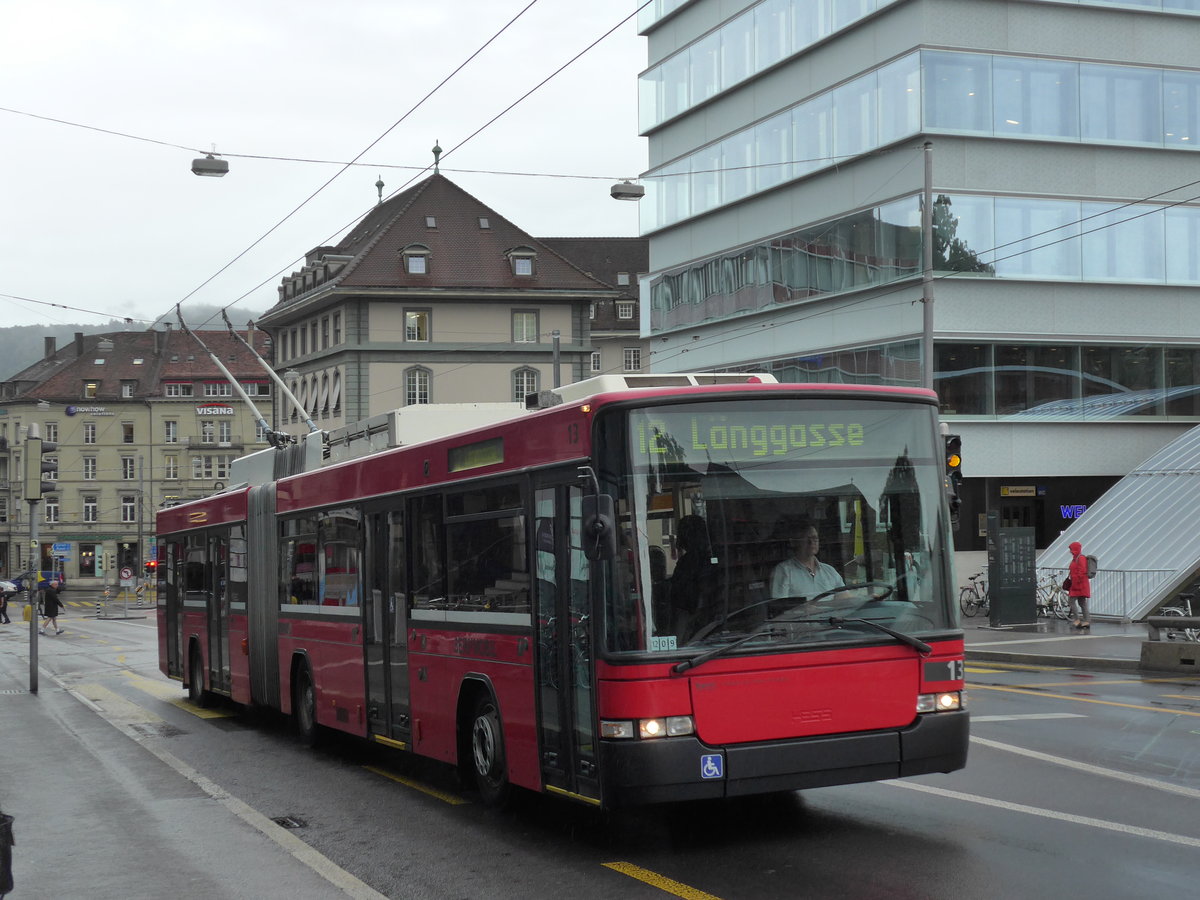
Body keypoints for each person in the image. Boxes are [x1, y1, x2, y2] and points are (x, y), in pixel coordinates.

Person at [771, 521, 845, 600]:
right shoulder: (784, 570)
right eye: (806, 538)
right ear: (793, 542)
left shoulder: (829, 571)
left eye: (815, 538)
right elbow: (779, 604)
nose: (811, 542)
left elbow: (846, 598)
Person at [1067, 541, 1091, 630]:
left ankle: (1077, 620)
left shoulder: (1080, 558)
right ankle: (1086, 621)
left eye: (1071, 549)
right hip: (1080, 584)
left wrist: (1075, 582)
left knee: (1071, 601)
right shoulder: (1077, 558)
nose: (1070, 551)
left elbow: (1082, 571)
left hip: (1078, 584)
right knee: (1082, 602)